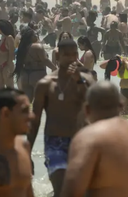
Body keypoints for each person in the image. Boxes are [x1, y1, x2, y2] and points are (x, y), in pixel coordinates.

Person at [28, 39, 94, 196]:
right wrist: (27, 150)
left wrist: (79, 80)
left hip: (82, 141)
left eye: (74, 54)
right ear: (57, 56)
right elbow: (35, 119)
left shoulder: (87, 78)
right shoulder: (46, 84)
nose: (72, 58)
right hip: (55, 142)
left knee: (84, 190)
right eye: (66, 55)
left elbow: (94, 103)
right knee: (60, 189)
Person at [0, 87, 35, 197]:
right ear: (5, 113)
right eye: (25, 111)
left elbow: (28, 192)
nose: (31, 116)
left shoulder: (24, 147)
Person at [14, 28, 56, 100]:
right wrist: (55, 69)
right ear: (31, 37)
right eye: (35, 34)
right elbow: (45, 60)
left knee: (28, 101)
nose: (37, 35)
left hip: (25, 76)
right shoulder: (37, 46)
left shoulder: (22, 48)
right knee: (42, 101)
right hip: (37, 75)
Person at [0, 20, 15, 88]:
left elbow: (12, 54)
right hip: (1, 66)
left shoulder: (9, 38)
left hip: (6, 65)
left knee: (10, 88)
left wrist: (8, 66)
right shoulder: (2, 38)